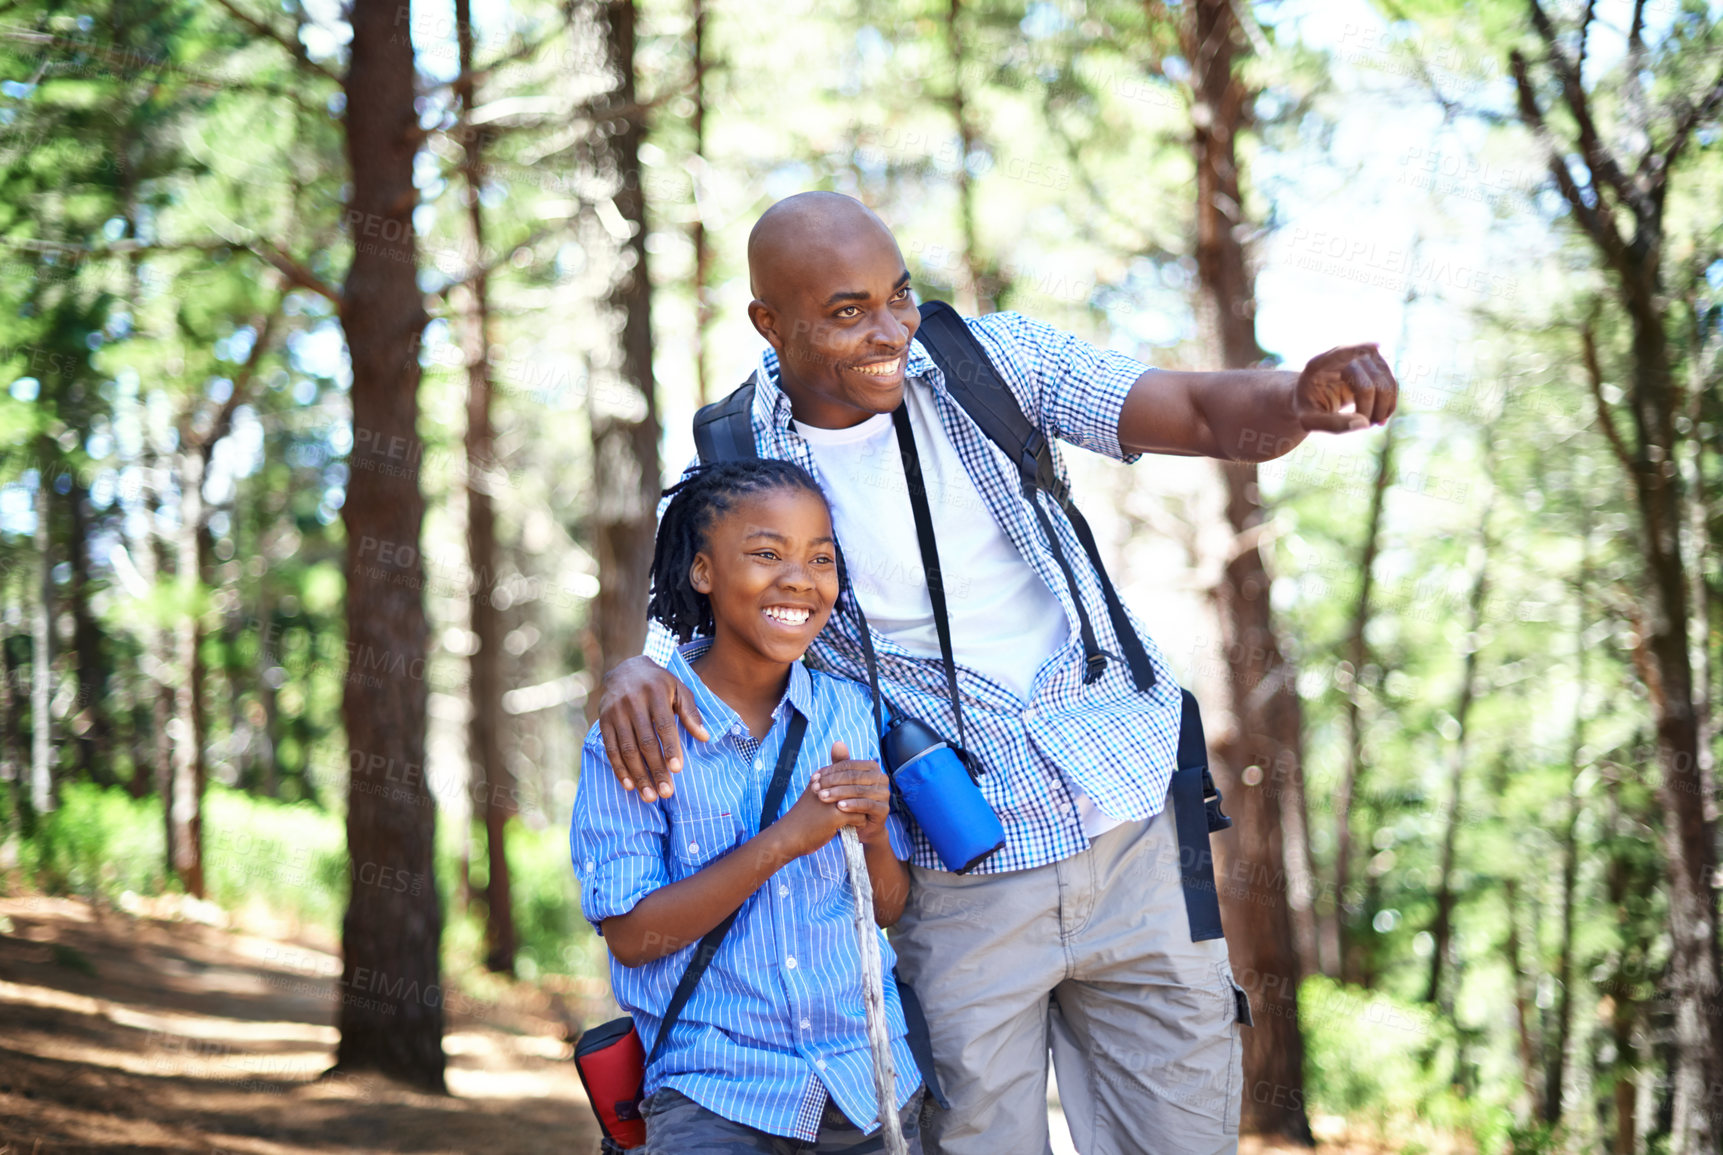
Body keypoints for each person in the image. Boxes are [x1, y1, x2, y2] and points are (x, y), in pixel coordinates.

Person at [597, 192, 1399, 1154]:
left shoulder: (991, 359)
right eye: (847, 312)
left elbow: (1190, 405)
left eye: (899, 295)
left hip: (1130, 820)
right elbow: (706, 596)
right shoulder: (739, 443)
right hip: (956, 865)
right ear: (770, 323)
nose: (891, 329)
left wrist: (1295, 402)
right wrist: (633, 672)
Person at [572, 457, 924, 1154]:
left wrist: (877, 834)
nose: (798, 578)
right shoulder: (640, 733)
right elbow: (632, 937)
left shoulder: (851, 711)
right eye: (766, 553)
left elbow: (885, 906)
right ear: (702, 571)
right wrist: (785, 838)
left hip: (867, 1088)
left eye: (820, 558)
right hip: (716, 1094)